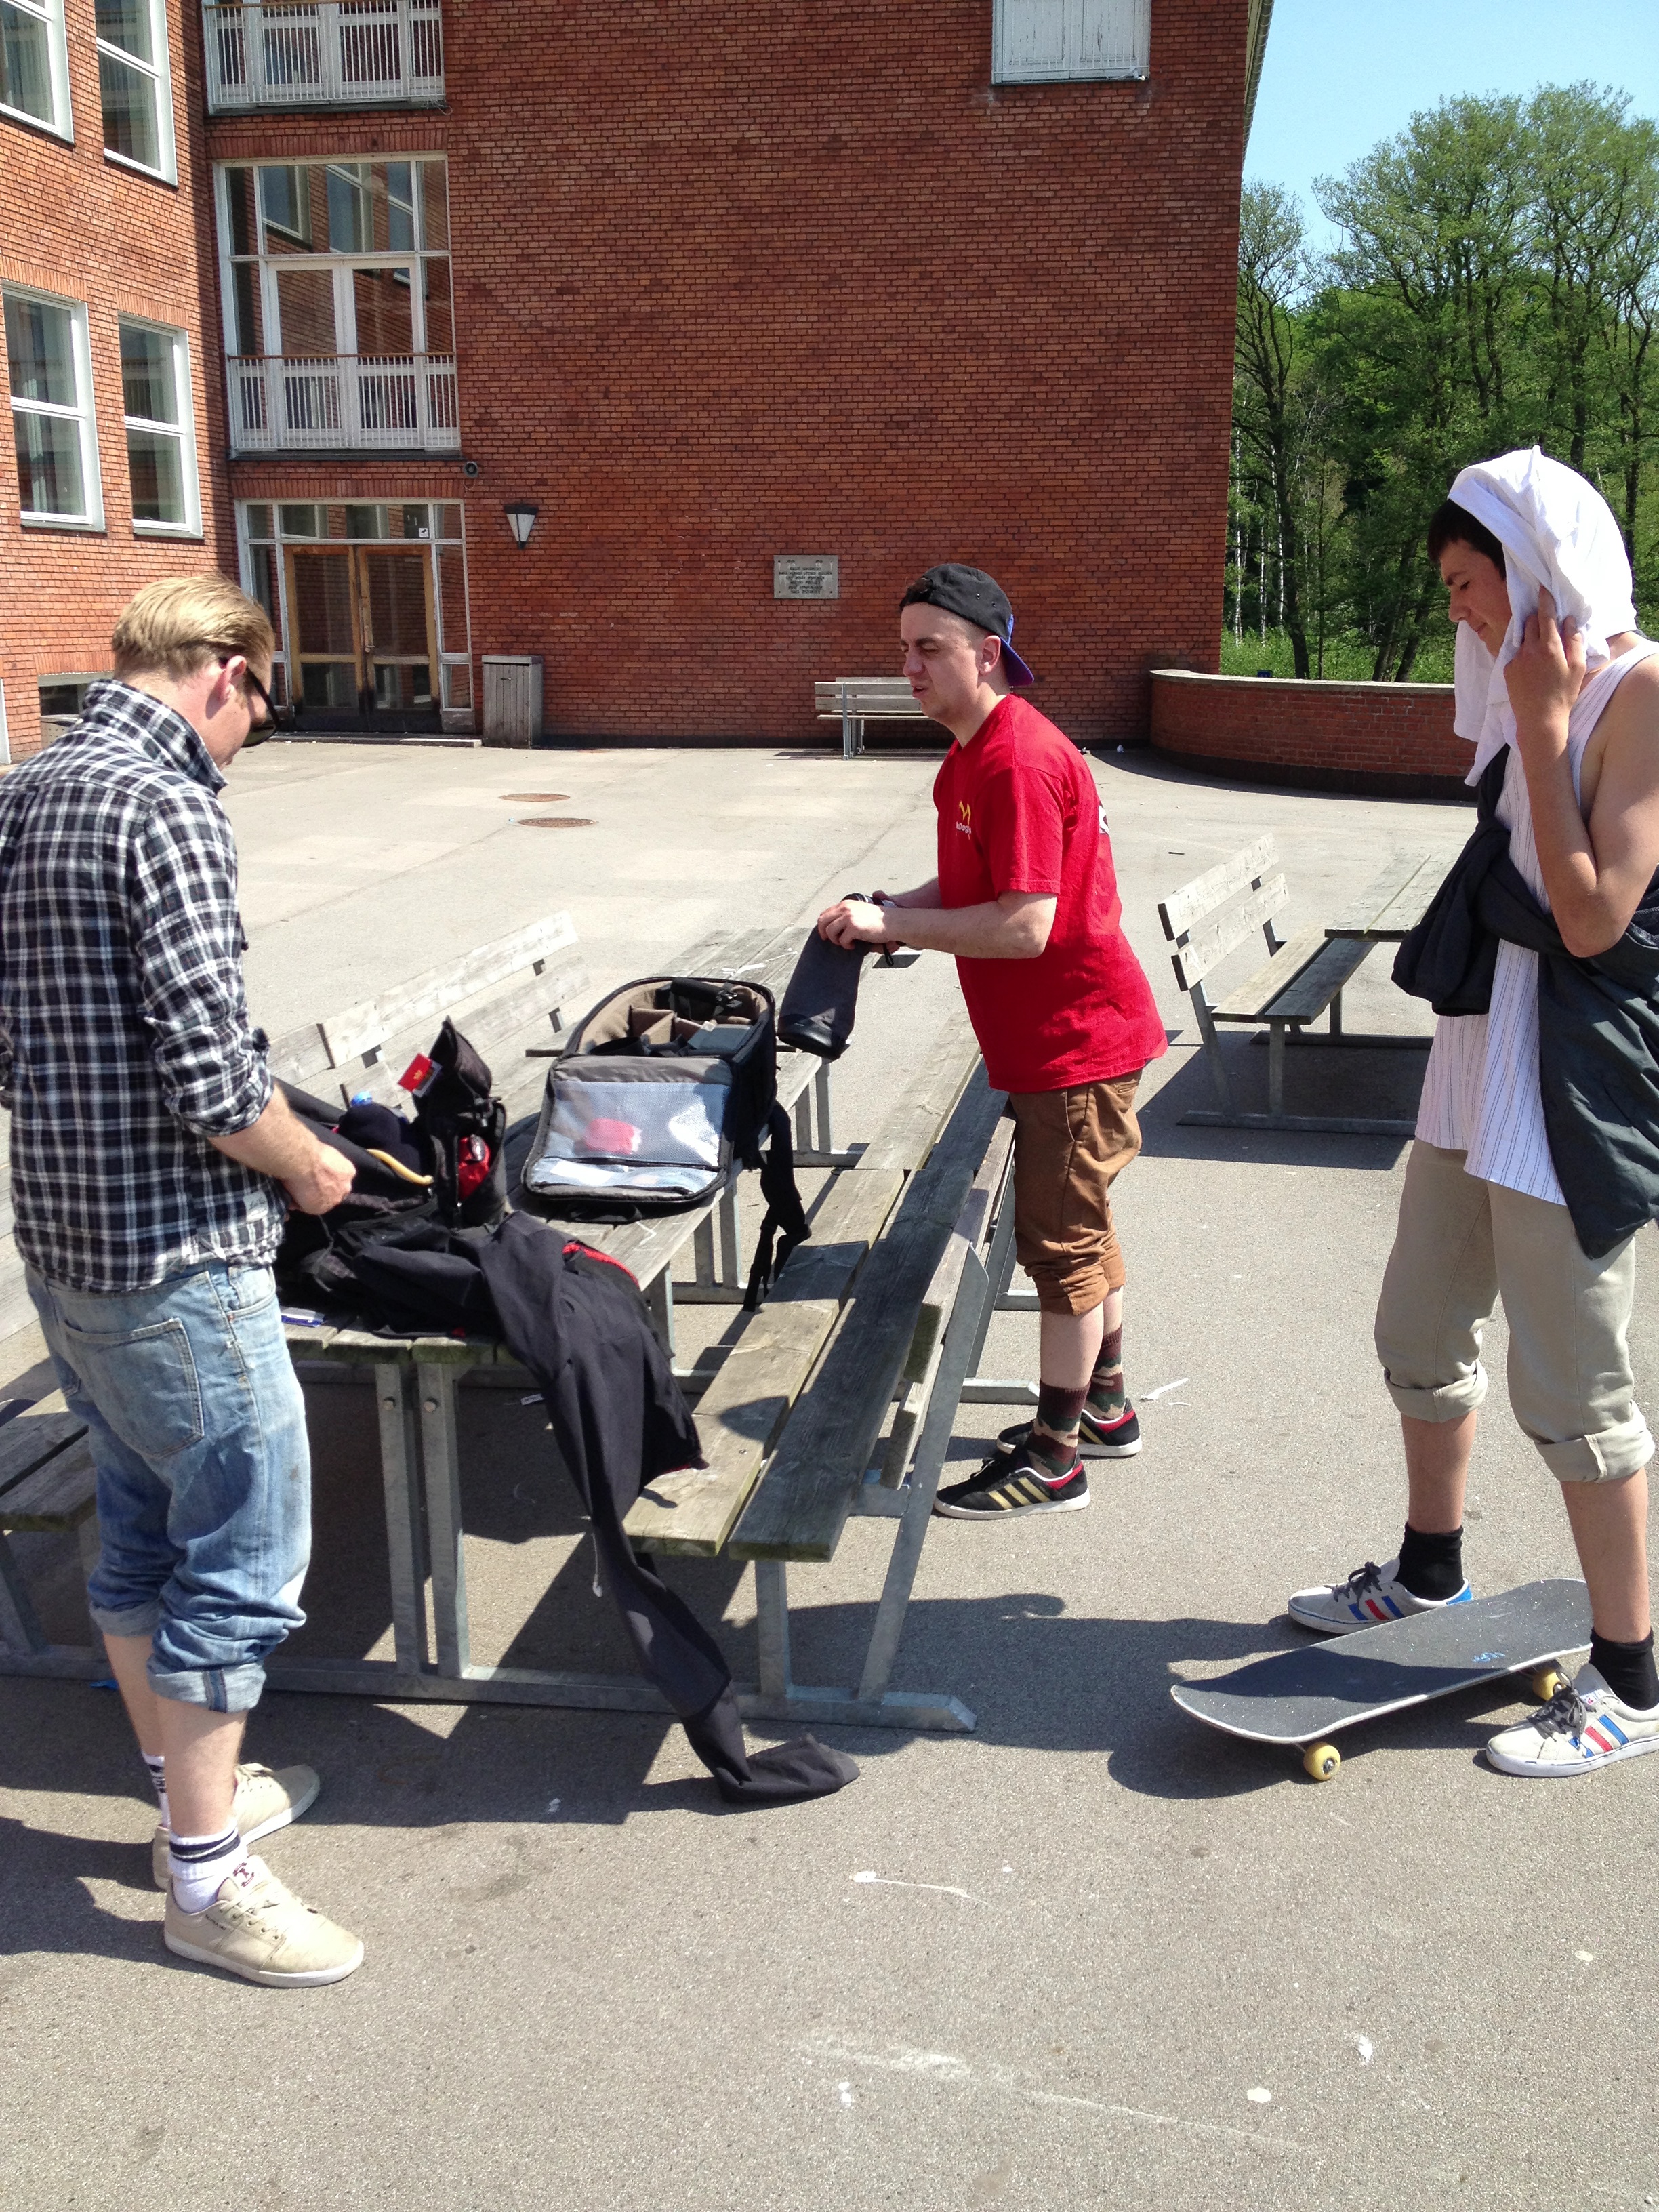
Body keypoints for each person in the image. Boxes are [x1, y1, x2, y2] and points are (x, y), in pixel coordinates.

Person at [0, 577, 366, 1980]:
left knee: (144, 1536)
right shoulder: (162, 802)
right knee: (243, 1565)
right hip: (180, 1256)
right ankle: (208, 1880)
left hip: (68, 1244)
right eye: (257, 702)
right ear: (223, 666)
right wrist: (309, 1165)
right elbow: (214, 1077)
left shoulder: (30, 786)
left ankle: (183, 1808)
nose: (249, 732)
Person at [1287, 447, 1659, 1777]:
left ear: (1540, 566)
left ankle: (1630, 1679)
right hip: (1478, 1053)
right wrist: (1526, 709)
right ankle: (1431, 1572)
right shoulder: (1524, 694)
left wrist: (1549, 718)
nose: (1463, 617)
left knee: (1574, 1389)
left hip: (1569, 1079)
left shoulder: (1637, 691)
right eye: (1447, 592)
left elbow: (1592, 916)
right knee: (1421, 1326)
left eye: (1470, 585)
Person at [819, 564, 1166, 1518]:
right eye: (903, 649)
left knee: (1061, 1248)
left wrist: (898, 930)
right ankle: (1104, 1406)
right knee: (1083, 1230)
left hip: (1076, 1045)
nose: (910, 667)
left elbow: (1024, 925)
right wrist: (888, 907)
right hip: (1059, 1044)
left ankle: (1056, 1457)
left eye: (928, 649)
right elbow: (968, 890)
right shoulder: (969, 755)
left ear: (987, 651)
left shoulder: (1017, 758)